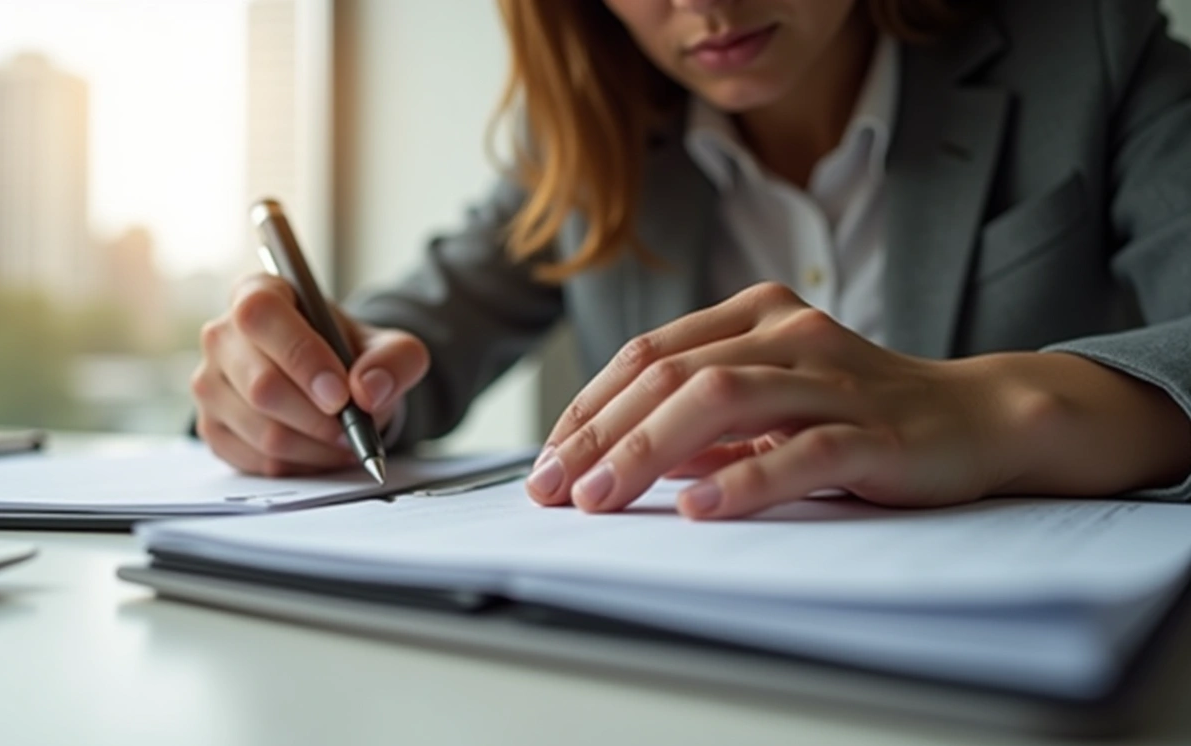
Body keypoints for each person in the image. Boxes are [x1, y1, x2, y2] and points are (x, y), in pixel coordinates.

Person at [192, 0, 1191, 520]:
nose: (705, 4)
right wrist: (308, 384)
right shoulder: (593, 133)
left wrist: (998, 409)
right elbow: (423, 329)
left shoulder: (1088, 44)